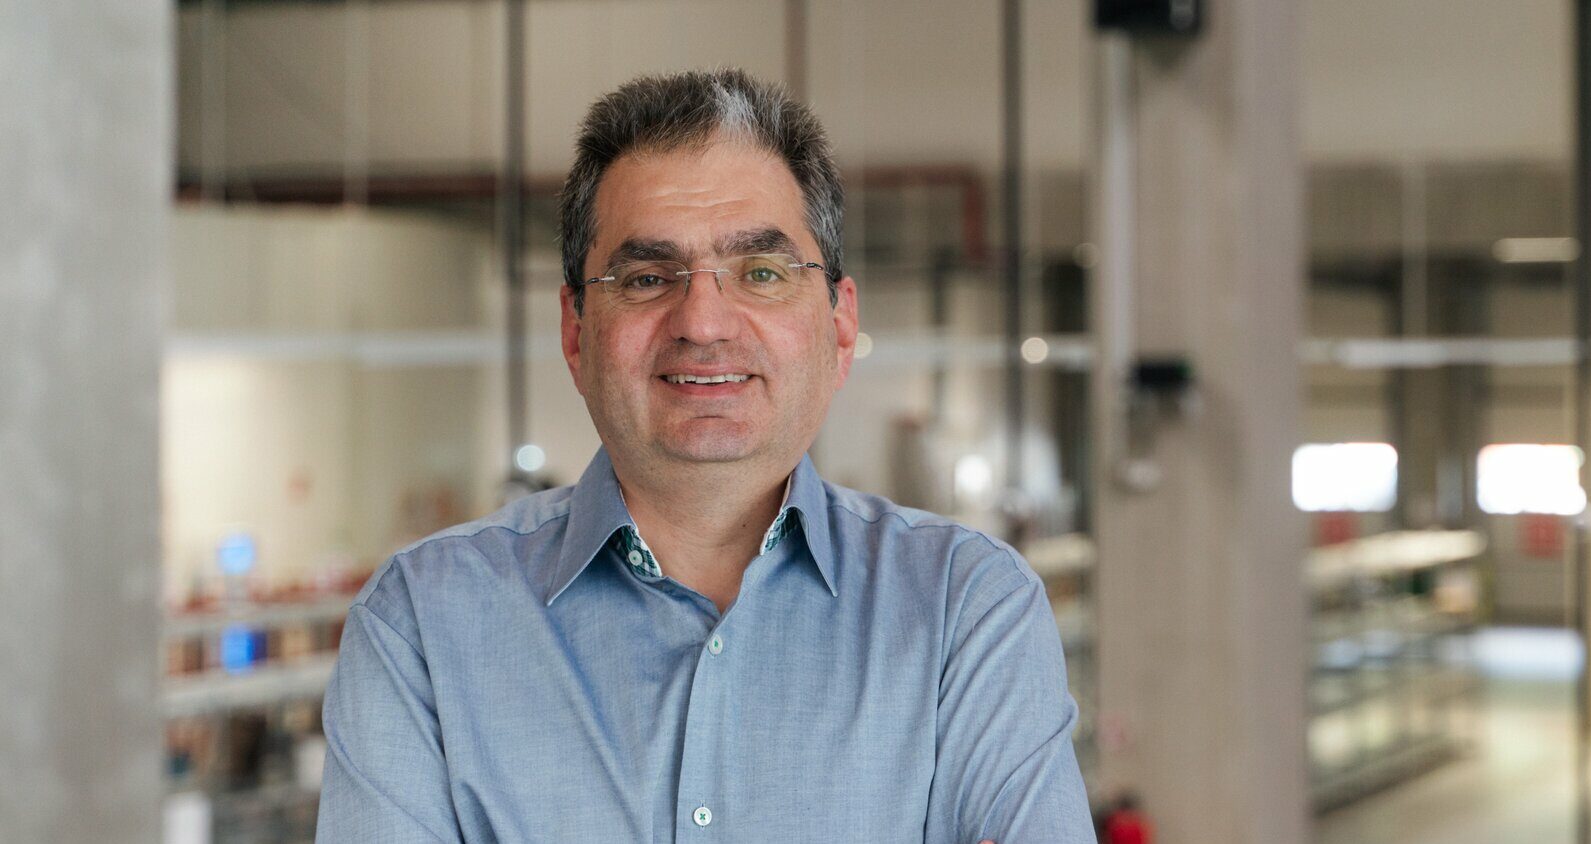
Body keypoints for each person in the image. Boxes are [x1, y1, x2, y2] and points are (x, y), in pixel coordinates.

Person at [317, 68, 1096, 844]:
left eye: (761, 273)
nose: (703, 322)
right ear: (576, 331)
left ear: (839, 326)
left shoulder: (968, 610)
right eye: (647, 277)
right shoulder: (421, 626)